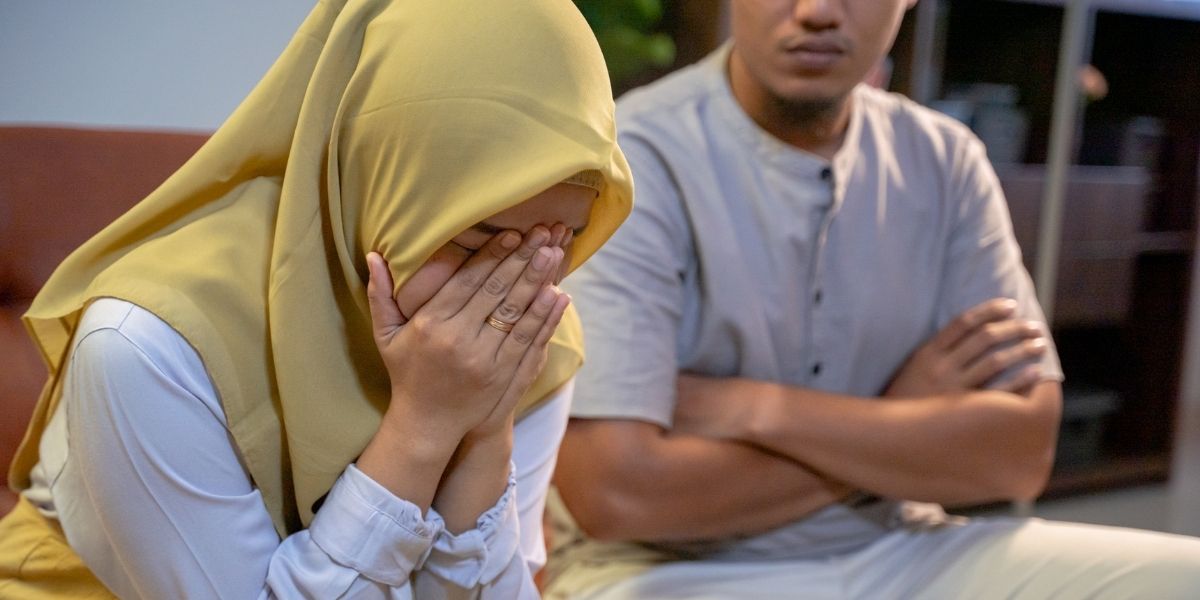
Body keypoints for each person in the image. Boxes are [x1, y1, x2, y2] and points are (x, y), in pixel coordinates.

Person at [546, 0, 1200, 598]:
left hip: (906, 544)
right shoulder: (637, 156)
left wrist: (758, 408)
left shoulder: (946, 158)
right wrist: (902, 422)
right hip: (665, 568)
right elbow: (617, 493)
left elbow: (1020, 454)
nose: (816, 12)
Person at [0, 0, 632, 597]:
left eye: (562, 241)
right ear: (374, 179)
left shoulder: (533, 328)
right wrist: (424, 425)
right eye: (477, 241)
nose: (517, 287)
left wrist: (485, 431)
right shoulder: (146, 344)